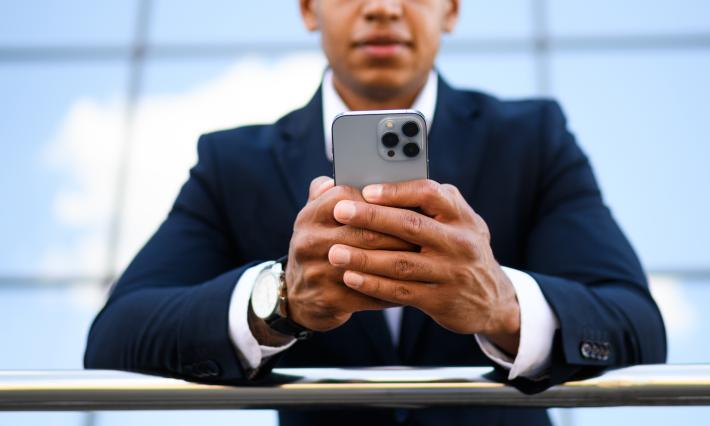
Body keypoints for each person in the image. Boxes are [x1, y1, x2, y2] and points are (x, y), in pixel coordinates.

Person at [84, 0, 667, 425]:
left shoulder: (533, 138)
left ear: (453, 11)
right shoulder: (233, 163)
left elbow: (635, 327)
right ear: (309, 9)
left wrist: (502, 306)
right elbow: (115, 340)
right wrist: (280, 301)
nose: (384, 8)